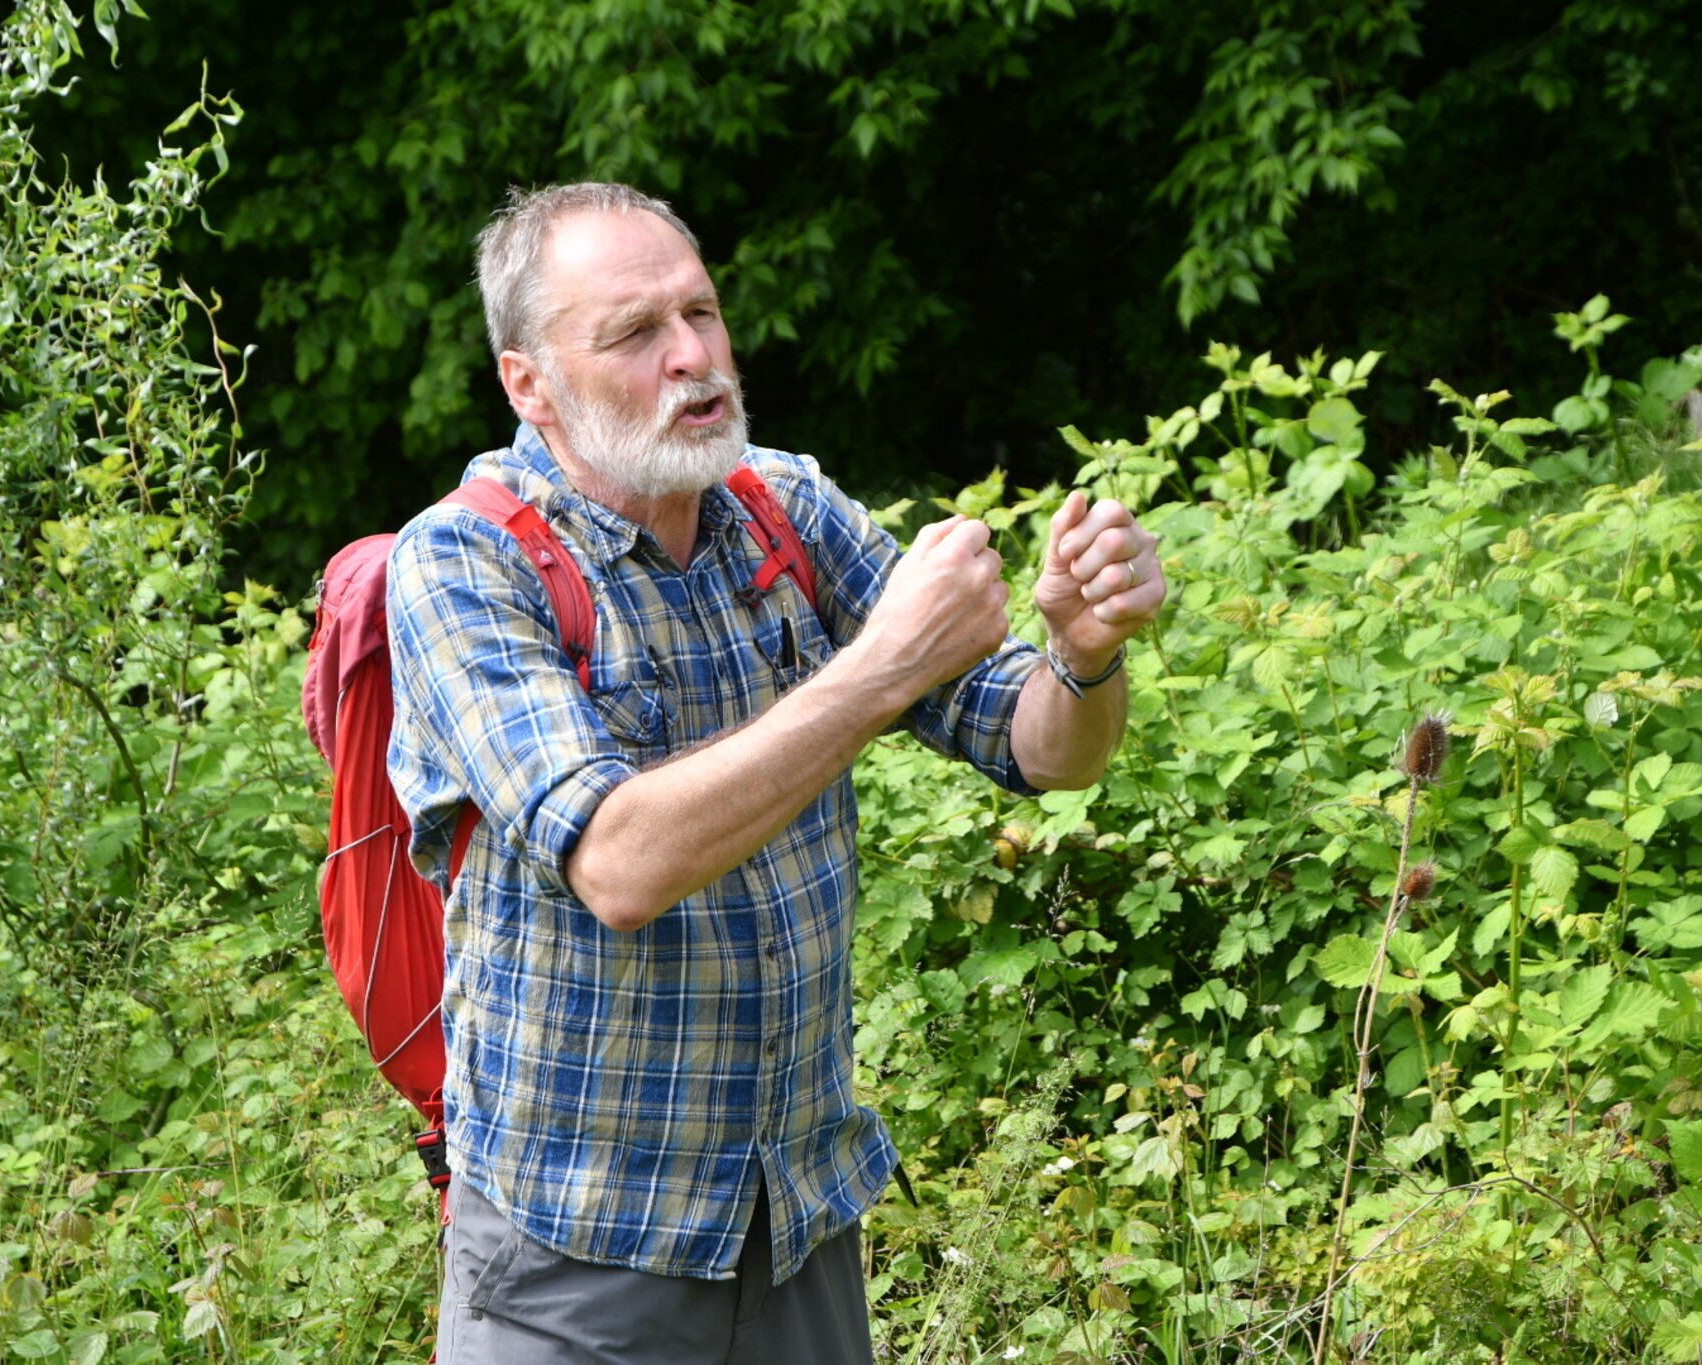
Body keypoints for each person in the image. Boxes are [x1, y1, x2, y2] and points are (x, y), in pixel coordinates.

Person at [385, 181, 1167, 1365]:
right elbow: (619, 861)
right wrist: (881, 667)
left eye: (700, 313)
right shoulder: (460, 563)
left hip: (793, 1225)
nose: (693, 357)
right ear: (527, 384)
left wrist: (1083, 650)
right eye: (635, 333)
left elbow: (1035, 747)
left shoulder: (780, 507)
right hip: (577, 1260)